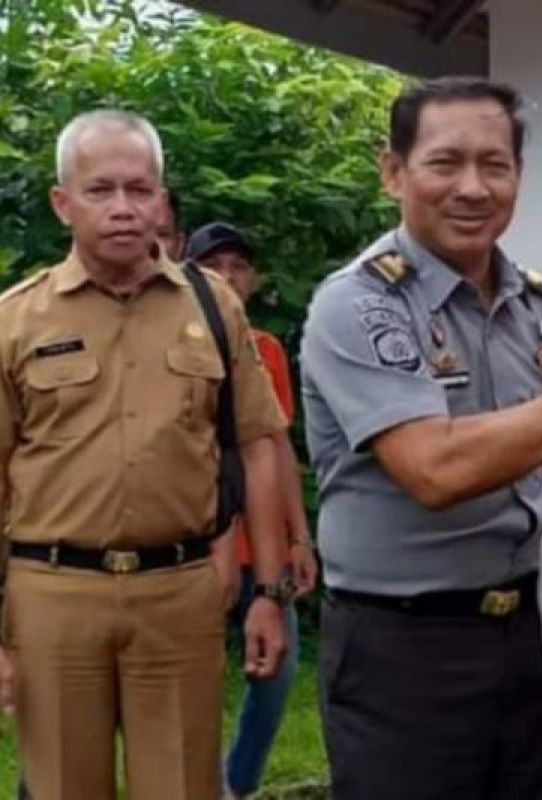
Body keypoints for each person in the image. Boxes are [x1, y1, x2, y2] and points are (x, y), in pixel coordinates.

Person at [300, 76, 542, 799]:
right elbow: (434, 467)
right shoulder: (361, 305)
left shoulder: (535, 306)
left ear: (518, 176)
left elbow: (514, 440)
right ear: (393, 171)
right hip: (406, 651)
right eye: (445, 163)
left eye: (494, 165)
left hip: (531, 632)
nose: (472, 187)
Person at [0, 109, 288, 800]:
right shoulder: (15, 318)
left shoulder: (215, 307)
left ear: (161, 199)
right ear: (62, 202)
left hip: (180, 593)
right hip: (54, 593)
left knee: (186, 787)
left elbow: (260, 447)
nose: (124, 209)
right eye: (101, 191)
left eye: (140, 189)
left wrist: (270, 593)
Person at [185, 221, 319, 800]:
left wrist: (299, 537)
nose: (228, 276)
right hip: (195, 545)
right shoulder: (176, 338)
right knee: (194, 678)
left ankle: (238, 783)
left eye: (239, 265)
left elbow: (275, 447)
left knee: (278, 670)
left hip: (261, 550)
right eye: (215, 265)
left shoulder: (264, 349)